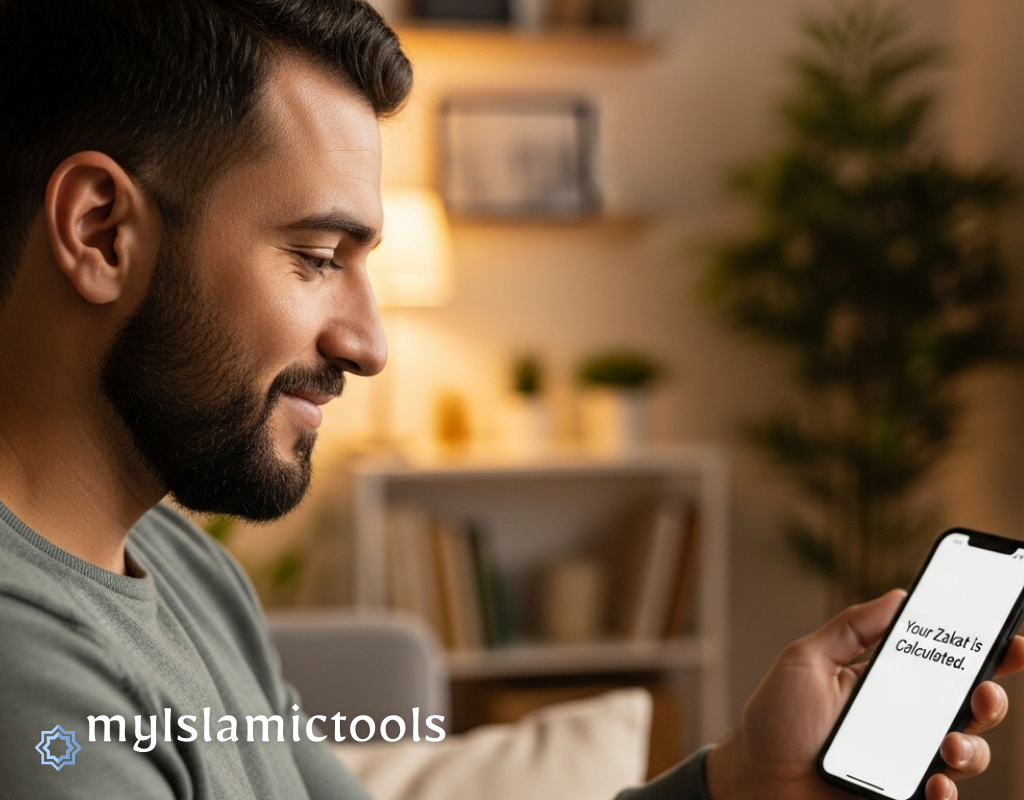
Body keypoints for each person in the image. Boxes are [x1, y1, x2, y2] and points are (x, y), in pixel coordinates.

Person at [0, 1, 1019, 798]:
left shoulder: (184, 567)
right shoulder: (33, 686)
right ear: (100, 233)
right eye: (315, 256)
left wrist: (742, 780)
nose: (369, 343)